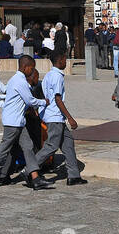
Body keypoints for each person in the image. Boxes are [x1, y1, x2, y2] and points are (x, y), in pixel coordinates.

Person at [0, 56, 49, 190]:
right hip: (13, 122)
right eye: (32, 68)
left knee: (27, 147)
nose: (32, 70)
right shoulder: (20, 81)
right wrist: (44, 102)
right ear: (25, 67)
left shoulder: (15, 79)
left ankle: (35, 178)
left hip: (18, 121)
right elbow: (30, 101)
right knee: (3, 150)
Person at [35, 50, 85, 185]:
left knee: (68, 143)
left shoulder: (49, 75)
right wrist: (70, 118)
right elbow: (58, 99)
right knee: (51, 146)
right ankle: (30, 169)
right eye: (65, 59)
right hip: (54, 116)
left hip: (55, 116)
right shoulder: (57, 76)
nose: (66, 62)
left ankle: (73, 175)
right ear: (61, 60)